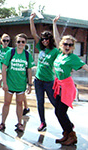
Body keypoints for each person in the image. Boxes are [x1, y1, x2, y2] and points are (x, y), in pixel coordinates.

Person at [52, 15, 88, 146]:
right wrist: (54, 24)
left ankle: (71, 135)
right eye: (65, 44)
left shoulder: (73, 58)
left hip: (67, 86)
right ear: (62, 45)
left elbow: (85, 67)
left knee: (61, 112)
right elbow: (56, 38)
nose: (67, 46)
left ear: (73, 47)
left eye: (70, 45)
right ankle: (66, 133)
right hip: (59, 85)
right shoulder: (60, 54)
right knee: (58, 112)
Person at [0, 33, 35, 132]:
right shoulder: (11, 52)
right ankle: (3, 123)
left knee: (19, 103)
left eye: (23, 42)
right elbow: (4, 68)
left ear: (25, 43)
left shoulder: (27, 55)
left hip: (21, 84)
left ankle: (19, 123)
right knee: (6, 103)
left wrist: (30, 84)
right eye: (18, 41)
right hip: (10, 83)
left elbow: (29, 70)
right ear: (16, 42)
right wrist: (4, 83)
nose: (20, 43)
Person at [0, 18, 30, 115]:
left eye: (8, 40)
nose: (6, 42)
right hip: (3, 73)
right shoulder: (0, 49)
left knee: (20, 91)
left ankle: (26, 107)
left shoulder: (10, 50)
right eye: (4, 40)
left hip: (11, 74)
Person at [30, 12, 59, 131]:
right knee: (40, 102)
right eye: (43, 39)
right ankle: (42, 122)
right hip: (38, 81)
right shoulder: (41, 48)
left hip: (49, 82)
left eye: (47, 39)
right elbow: (34, 34)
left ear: (50, 40)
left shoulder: (55, 51)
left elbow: (58, 40)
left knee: (55, 103)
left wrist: (54, 23)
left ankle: (65, 122)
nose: (44, 41)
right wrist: (31, 20)